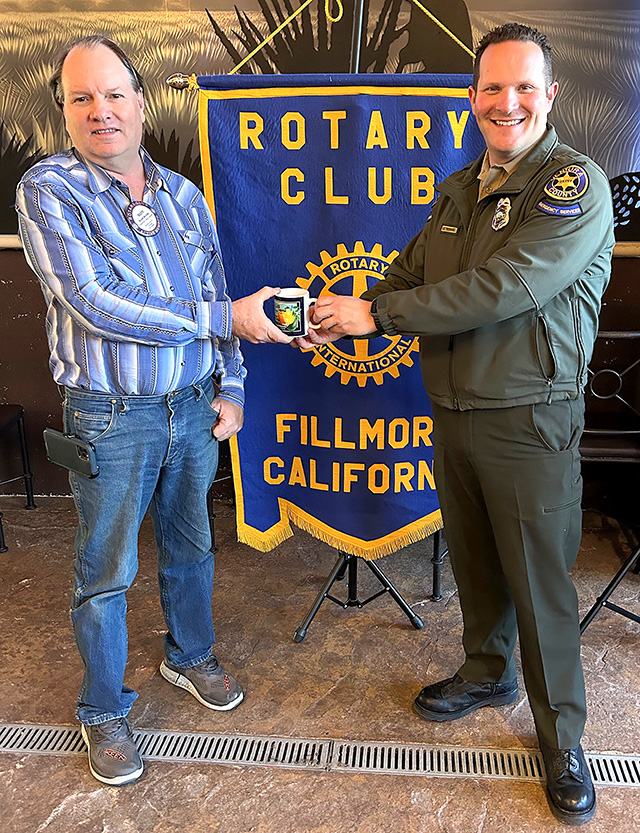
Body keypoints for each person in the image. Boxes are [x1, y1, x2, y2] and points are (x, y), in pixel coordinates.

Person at [301, 23, 614, 826]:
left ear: (550, 96)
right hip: (455, 410)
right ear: (472, 98)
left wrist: (379, 312)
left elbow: (502, 289)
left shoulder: (571, 187)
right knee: (476, 562)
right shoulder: (461, 187)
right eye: (490, 88)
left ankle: (562, 738)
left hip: (529, 417)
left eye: (522, 87)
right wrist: (335, 313)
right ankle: (486, 671)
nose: (504, 102)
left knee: (540, 583)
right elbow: (408, 271)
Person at [16, 35, 290, 787]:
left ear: (141, 104)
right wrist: (222, 323)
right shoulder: (49, 189)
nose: (100, 111)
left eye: (113, 95)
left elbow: (221, 290)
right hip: (112, 413)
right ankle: (103, 710)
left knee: (192, 545)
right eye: (81, 98)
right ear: (64, 112)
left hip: (194, 405)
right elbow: (96, 303)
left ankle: (189, 655)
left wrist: (231, 385)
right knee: (106, 569)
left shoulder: (183, 196)